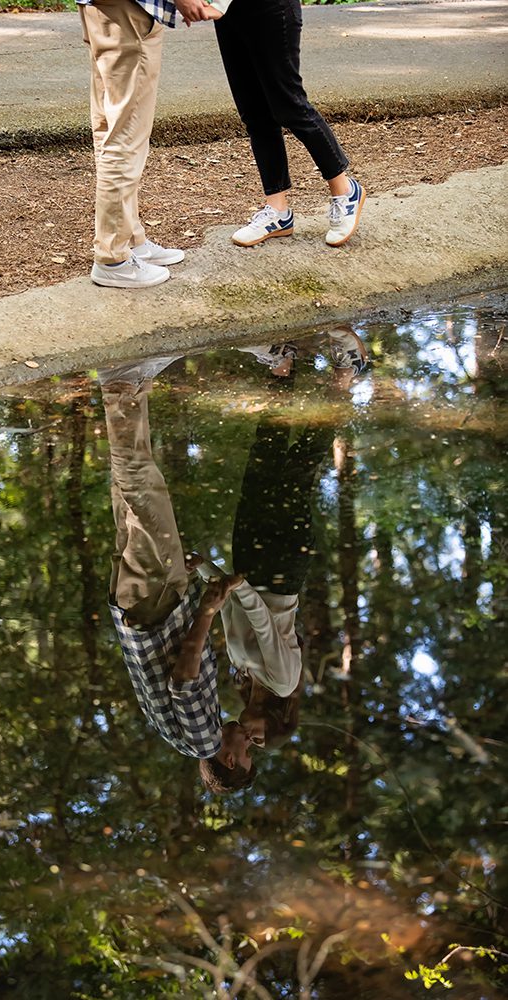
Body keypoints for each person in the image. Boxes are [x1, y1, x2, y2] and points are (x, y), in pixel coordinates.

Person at [196, 327, 367, 762]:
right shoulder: (285, 682)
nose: (248, 738)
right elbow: (262, 619)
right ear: (278, 721)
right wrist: (235, 585)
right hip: (281, 569)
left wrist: (201, 568)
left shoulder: (240, 677)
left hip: (248, 567)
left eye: (247, 744)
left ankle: (284, 366)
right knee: (300, 465)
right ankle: (348, 375)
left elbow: (228, 607)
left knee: (261, 467)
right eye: (260, 741)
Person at [98, 356, 257, 791]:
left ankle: (119, 386)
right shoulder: (185, 739)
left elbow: (184, 679)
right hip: (151, 604)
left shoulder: (204, 739)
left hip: (154, 603)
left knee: (143, 492)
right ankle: (132, 387)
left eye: (246, 752)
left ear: (229, 759)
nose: (248, 742)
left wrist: (207, 609)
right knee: (133, 501)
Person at [185, 0, 365, 249]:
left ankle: (345, 191)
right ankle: (277, 210)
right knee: (255, 114)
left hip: (270, 7)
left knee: (290, 106)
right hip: (229, 14)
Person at [77, 0, 207, 288]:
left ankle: (130, 240)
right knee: (125, 136)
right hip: (127, 12)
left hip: (104, 9)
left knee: (109, 129)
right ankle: (112, 258)